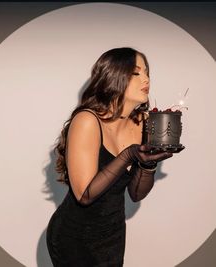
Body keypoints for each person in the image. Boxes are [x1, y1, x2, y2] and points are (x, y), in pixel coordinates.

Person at [46, 47, 173, 266]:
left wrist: (149, 165)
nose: (146, 78)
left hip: (112, 235)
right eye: (136, 73)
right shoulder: (87, 121)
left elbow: (135, 194)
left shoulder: (145, 123)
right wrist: (129, 154)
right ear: (114, 76)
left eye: (147, 72)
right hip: (74, 237)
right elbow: (85, 195)